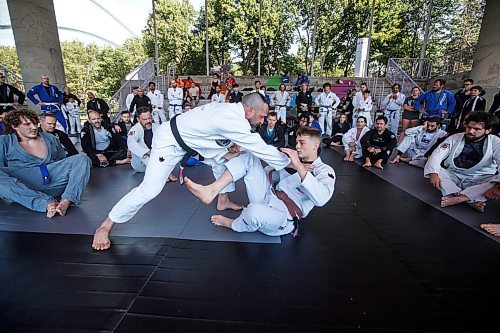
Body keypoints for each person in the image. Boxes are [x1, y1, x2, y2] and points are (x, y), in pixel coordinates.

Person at [92, 93, 294, 250]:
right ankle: (106, 224)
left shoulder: (228, 110)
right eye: (261, 116)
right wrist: (294, 162)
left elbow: (211, 130)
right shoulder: (233, 119)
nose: (261, 121)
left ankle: (222, 200)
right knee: (150, 190)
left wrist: (228, 147)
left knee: (232, 157)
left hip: (190, 142)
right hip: (169, 143)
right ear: (250, 111)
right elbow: (259, 147)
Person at [183, 127, 335, 237]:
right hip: (268, 195)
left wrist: (299, 166)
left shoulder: (324, 170)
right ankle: (211, 190)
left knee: (254, 211)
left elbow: (321, 199)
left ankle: (231, 223)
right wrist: (287, 164)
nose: (296, 146)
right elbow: (268, 170)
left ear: (315, 146)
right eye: (296, 142)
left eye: (302, 143)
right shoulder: (293, 162)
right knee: (250, 157)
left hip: (283, 216)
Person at [0, 109, 90, 217]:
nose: (33, 127)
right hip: (24, 187)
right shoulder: (5, 141)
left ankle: (66, 201)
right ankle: (46, 203)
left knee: (82, 158)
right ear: (15, 126)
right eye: (27, 124)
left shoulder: (50, 138)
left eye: (34, 123)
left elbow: (62, 162)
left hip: (55, 182)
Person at [424, 112, 499, 213]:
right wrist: (433, 173)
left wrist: (498, 186)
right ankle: (471, 199)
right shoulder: (455, 137)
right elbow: (437, 154)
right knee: (436, 170)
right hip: (454, 175)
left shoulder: (495, 142)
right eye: (469, 127)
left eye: (477, 129)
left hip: (480, 178)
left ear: (488, 130)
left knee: (495, 182)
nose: (471, 131)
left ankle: (459, 198)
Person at [127, 107, 178, 182]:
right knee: (142, 149)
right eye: (145, 119)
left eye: (149, 118)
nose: (148, 121)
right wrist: (148, 152)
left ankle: (159, 171)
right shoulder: (135, 130)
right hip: (140, 165)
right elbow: (130, 143)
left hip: (155, 160)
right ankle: (163, 173)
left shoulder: (156, 127)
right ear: (138, 119)